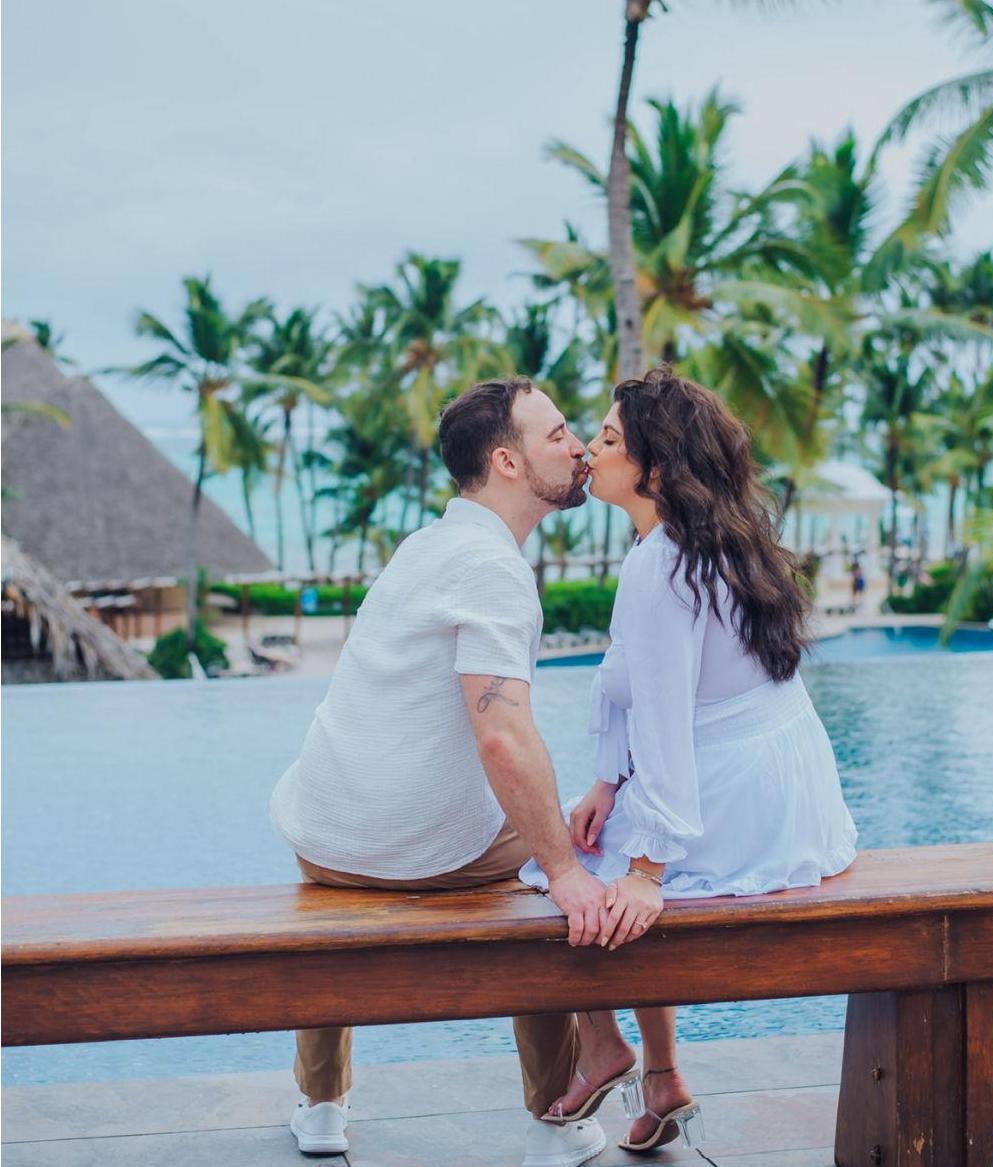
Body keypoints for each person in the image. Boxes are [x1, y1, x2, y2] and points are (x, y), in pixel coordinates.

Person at [270, 376, 616, 1167]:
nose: (577, 447)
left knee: (386, 832)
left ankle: (321, 1106)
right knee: (553, 853)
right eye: (557, 434)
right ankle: (556, 1117)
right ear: (506, 461)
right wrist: (564, 868)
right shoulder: (493, 569)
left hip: (322, 842)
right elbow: (502, 734)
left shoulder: (423, 548)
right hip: (424, 853)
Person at [520, 366, 858, 1153]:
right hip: (787, 789)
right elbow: (632, 680)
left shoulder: (660, 564)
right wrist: (607, 781)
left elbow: (666, 720)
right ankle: (663, 1075)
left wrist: (648, 868)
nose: (588, 450)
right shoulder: (712, 539)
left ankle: (605, 1046)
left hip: (728, 792)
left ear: (657, 469)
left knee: (557, 872)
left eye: (608, 439)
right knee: (589, 846)